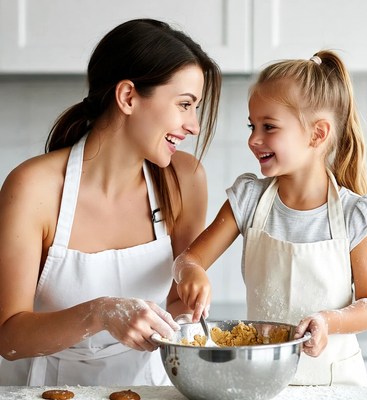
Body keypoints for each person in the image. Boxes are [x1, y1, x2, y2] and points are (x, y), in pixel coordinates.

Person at [0, 18, 221, 386]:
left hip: (152, 387)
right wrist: (101, 313)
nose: (194, 125)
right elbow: (8, 338)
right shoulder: (33, 188)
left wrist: (191, 292)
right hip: (45, 388)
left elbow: (178, 304)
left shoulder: (186, 179)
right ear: (128, 97)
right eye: (184, 104)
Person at [173, 50, 367, 386]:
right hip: (264, 382)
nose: (253, 139)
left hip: (336, 384)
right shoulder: (248, 200)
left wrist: (328, 320)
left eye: (268, 127)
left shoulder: (355, 214)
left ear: (317, 134)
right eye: (252, 125)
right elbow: (190, 259)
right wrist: (191, 273)